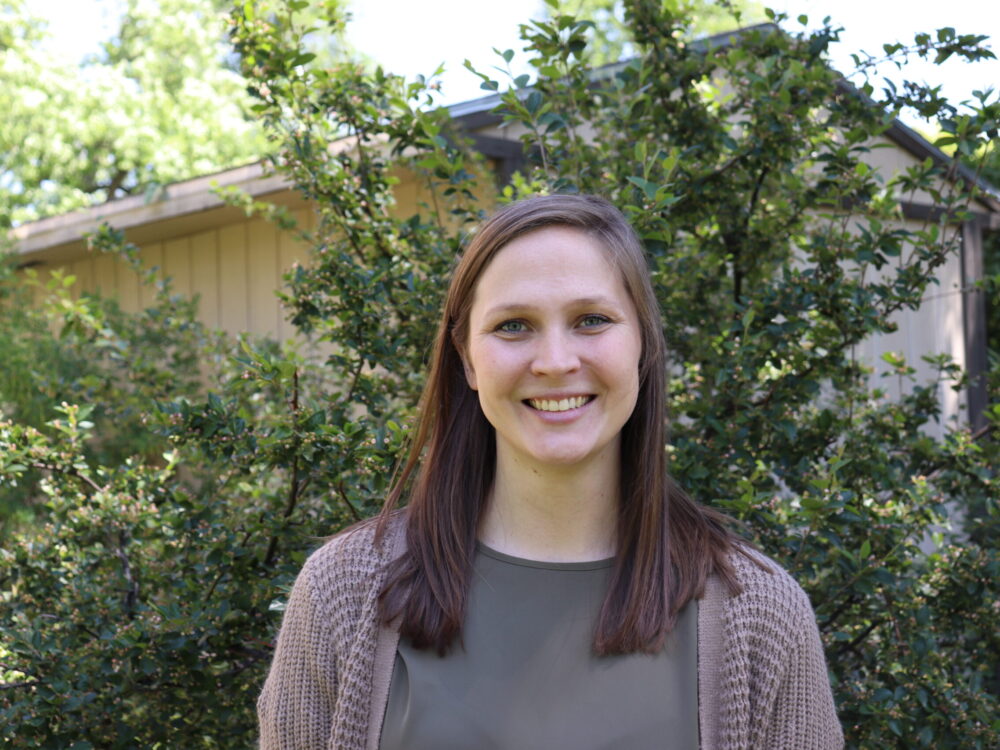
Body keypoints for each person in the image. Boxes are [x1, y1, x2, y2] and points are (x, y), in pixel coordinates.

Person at [257, 194, 843, 749]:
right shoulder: (344, 591)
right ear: (467, 358)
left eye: (591, 319)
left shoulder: (760, 612)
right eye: (513, 325)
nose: (556, 361)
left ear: (642, 344)